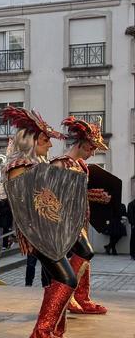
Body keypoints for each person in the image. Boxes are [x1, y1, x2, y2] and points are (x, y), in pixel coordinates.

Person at [1, 107, 82, 338]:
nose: (50, 145)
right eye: (45, 140)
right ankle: (43, 332)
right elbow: (27, 203)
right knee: (67, 278)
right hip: (38, 233)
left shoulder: (35, 165)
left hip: (48, 231)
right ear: (31, 141)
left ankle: (55, 332)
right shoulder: (20, 165)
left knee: (55, 278)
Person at [59, 116, 109, 316]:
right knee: (81, 255)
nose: (93, 153)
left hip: (81, 220)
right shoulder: (62, 164)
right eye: (91, 148)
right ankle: (66, 295)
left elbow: (78, 193)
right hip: (67, 222)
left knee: (85, 258)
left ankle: (81, 296)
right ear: (81, 143)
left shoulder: (80, 165)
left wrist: (96, 196)